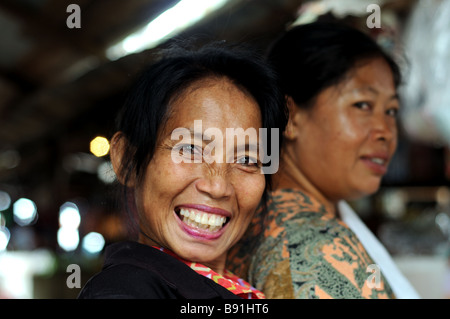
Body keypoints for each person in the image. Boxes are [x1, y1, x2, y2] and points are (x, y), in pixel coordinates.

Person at [78, 43, 288, 299]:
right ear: (127, 160)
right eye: (190, 149)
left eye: (246, 159)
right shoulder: (123, 292)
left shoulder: (234, 290)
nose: (218, 186)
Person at [228, 22, 420, 299]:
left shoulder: (261, 220)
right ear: (289, 116)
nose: (386, 133)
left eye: (391, 110)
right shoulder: (315, 245)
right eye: (363, 105)